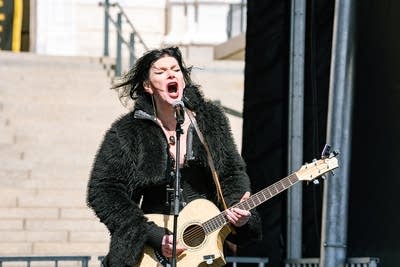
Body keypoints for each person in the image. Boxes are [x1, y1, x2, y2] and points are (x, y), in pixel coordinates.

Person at [87, 46, 262, 267]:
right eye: (160, 72)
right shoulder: (127, 131)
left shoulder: (209, 120)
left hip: (203, 246)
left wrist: (239, 211)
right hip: (147, 252)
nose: (171, 74)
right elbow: (103, 190)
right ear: (147, 86)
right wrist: (152, 235)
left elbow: (230, 174)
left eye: (176, 69)